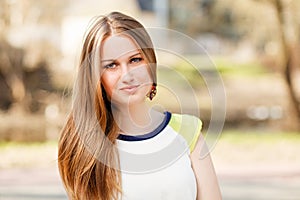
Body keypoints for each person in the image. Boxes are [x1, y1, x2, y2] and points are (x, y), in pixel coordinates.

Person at [58, 11, 221, 200]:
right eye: (111, 65)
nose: (127, 75)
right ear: (95, 77)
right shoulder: (84, 146)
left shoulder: (188, 131)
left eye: (135, 60)